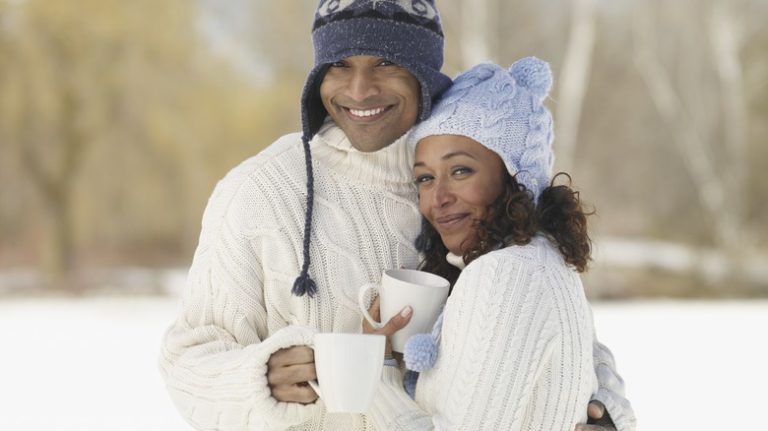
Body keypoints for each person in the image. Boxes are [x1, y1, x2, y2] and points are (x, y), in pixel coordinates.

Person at [158, 1, 634, 430]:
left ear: (423, 74)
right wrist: (259, 378)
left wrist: (599, 408)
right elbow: (188, 358)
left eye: (385, 62)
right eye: (339, 65)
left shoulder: (467, 167)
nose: (359, 89)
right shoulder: (259, 191)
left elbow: (550, 313)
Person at [362, 57, 636, 430]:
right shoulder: (538, 261)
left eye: (461, 170)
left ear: (515, 176)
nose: (437, 197)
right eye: (425, 178)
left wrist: (375, 370)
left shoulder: (507, 275)